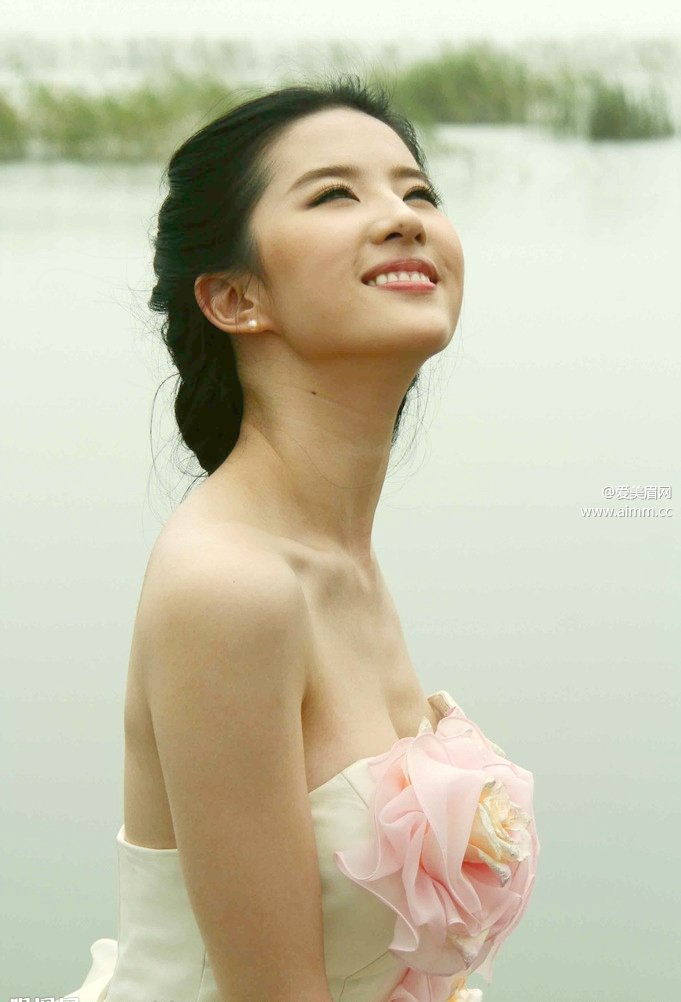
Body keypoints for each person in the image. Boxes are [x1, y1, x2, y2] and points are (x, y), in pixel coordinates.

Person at [63, 74, 539, 1002]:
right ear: (234, 298)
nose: (401, 218)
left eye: (417, 192)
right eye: (333, 196)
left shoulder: (335, 555)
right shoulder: (230, 587)